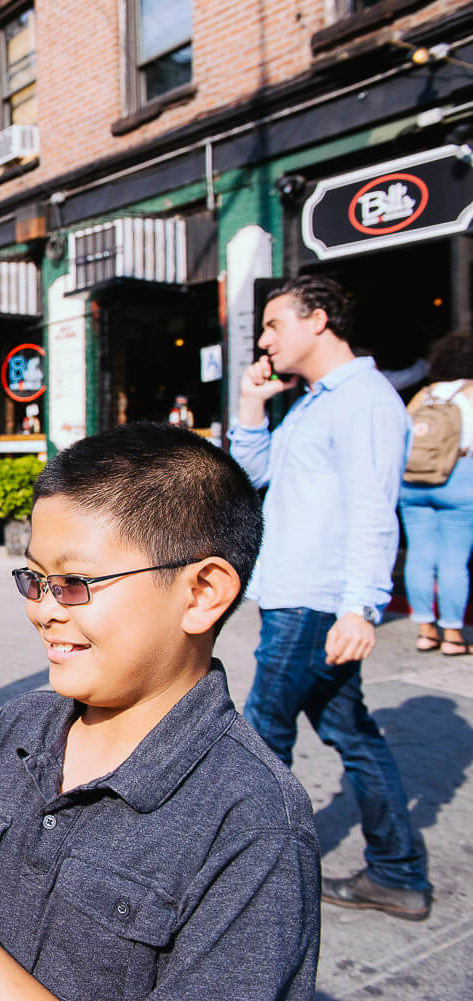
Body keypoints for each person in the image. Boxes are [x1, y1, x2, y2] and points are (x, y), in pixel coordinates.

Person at [0, 422, 320, 1001]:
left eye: (75, 582)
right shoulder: (20, 728)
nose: (44, 610)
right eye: (33, 579)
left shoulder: (255, 825)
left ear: (203, 591)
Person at [229, 274, 432, 920]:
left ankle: (256, 886)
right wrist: (252, 405)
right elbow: (254, 477)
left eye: (272, 324)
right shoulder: (315, 401)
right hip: (296, 594)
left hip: (315, 602)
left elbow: (376, 510)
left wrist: (361, 606)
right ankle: (397, 872)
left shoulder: (364, 400)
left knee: (260, 739)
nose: (263, 340)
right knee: (353, 733)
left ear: (317, 320)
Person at [399, 331, 473, 655]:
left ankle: (426, 632)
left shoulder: (425, 394)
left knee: (420, 555)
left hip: (413, 483)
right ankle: (453, 636)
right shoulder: (470, 393)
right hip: (458, 480)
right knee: (453, 560)